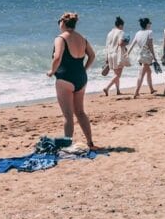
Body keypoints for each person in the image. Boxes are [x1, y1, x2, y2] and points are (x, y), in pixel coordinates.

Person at [48, 12, 97, 150]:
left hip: (65, 78)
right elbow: (92, 55)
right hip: (81, 78)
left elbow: (57, 57)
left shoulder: (60, 39)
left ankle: (68, 145)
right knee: (80, 112)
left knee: (68, 116)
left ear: (63, 23)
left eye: (59, 21)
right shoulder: (82, 38)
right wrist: (84, 69)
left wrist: (51, 71)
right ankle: (90, 142)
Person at [129, 17, 157, 99]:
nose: (150, 24)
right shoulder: (150, 32)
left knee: (149, 71)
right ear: (147, 24)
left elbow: (132, 44)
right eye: (150, 23)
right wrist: (154, 57)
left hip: (141, 55)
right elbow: (150, 46)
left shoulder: (138, 33)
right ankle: (136, 92)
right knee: (141, 74)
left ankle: (151, 89)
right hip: (147, 56)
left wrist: (127, 53)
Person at [102, 16, 130, 96]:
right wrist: (127, 42)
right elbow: (120, 43)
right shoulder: (121, 32)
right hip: (117, 54)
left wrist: (106, 58)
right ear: (121, 25)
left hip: (110, 54)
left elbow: (107, 46)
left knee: (115, 74)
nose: (123, 27)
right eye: (123, 26)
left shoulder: (109, 33)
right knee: (118, 75)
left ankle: (118, 91)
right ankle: (107, 88)